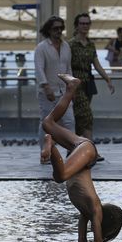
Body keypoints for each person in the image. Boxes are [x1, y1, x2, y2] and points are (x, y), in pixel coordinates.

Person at [40, 74, 122, 242]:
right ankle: (50, 145)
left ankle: (71, 87)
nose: (97, 231)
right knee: (60, 176)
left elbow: (82, 240)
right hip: (87, 150)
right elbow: (96, 240)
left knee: (48, 123)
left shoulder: (85, 212)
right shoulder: (95, 209)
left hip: (82, 147)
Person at [69, 13, 115, 162]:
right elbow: (66, 65)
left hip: (88, 83)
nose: (85, 26)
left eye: (87, 23)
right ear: (76, 25)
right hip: (76, 84)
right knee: (87, 116)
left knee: (80, 118)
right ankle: (91, 151)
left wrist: (107, 79)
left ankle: (76, 150)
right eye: (82, 23)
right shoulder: (70, 45)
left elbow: (96, 64)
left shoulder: (90, 44)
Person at [34, 16, 75, 154]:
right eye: (55, 28)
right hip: (48, 93)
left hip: (64, 92)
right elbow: (39, 68)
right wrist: (46, 87)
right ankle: (45, 152)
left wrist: (71, 85)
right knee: (46, 123)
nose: (58, 31)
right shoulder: (41, 48)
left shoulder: (66, 46)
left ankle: (72, 151)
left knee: (69, 121)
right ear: (49, 30)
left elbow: (68, 67)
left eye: (60, 28)